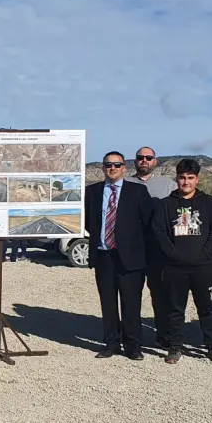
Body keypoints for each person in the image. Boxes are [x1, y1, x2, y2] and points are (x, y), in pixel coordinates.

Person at [83, 151, 157, 360]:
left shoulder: (137, 191)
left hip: (130, 258)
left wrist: (137, 247)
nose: (112, 168)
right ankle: (111, 343)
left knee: (131, 303)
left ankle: (133, 345)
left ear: (124, 168)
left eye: (117, 165)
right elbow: (88, 221)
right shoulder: (92, 192)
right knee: (108, 302)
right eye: (108, 164)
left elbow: (148, 223)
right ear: (103, 167)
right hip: (104, 255)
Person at [152, 159, 212, 365]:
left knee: (208, 310)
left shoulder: (209, 202)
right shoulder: (166, 204)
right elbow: (159, 231)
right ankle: (175, 347)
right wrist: (172, 253)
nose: (186, 182)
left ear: (197, 179)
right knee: (175, 311)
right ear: (177, 178)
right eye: (182, 177)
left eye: (190, 178)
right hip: (175, 267)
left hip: (204, 266)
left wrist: (206, 252)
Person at [126, 146, 175, 346]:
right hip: (132, 249)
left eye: (148, 157)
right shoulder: (125, 183)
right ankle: (132, 337)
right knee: (131, 295)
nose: (144, 160)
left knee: (161, 295)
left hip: (158, 250)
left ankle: (164, 335)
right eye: (140, 157)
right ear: (135, 161)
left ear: (155, 161)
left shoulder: (168, 185)